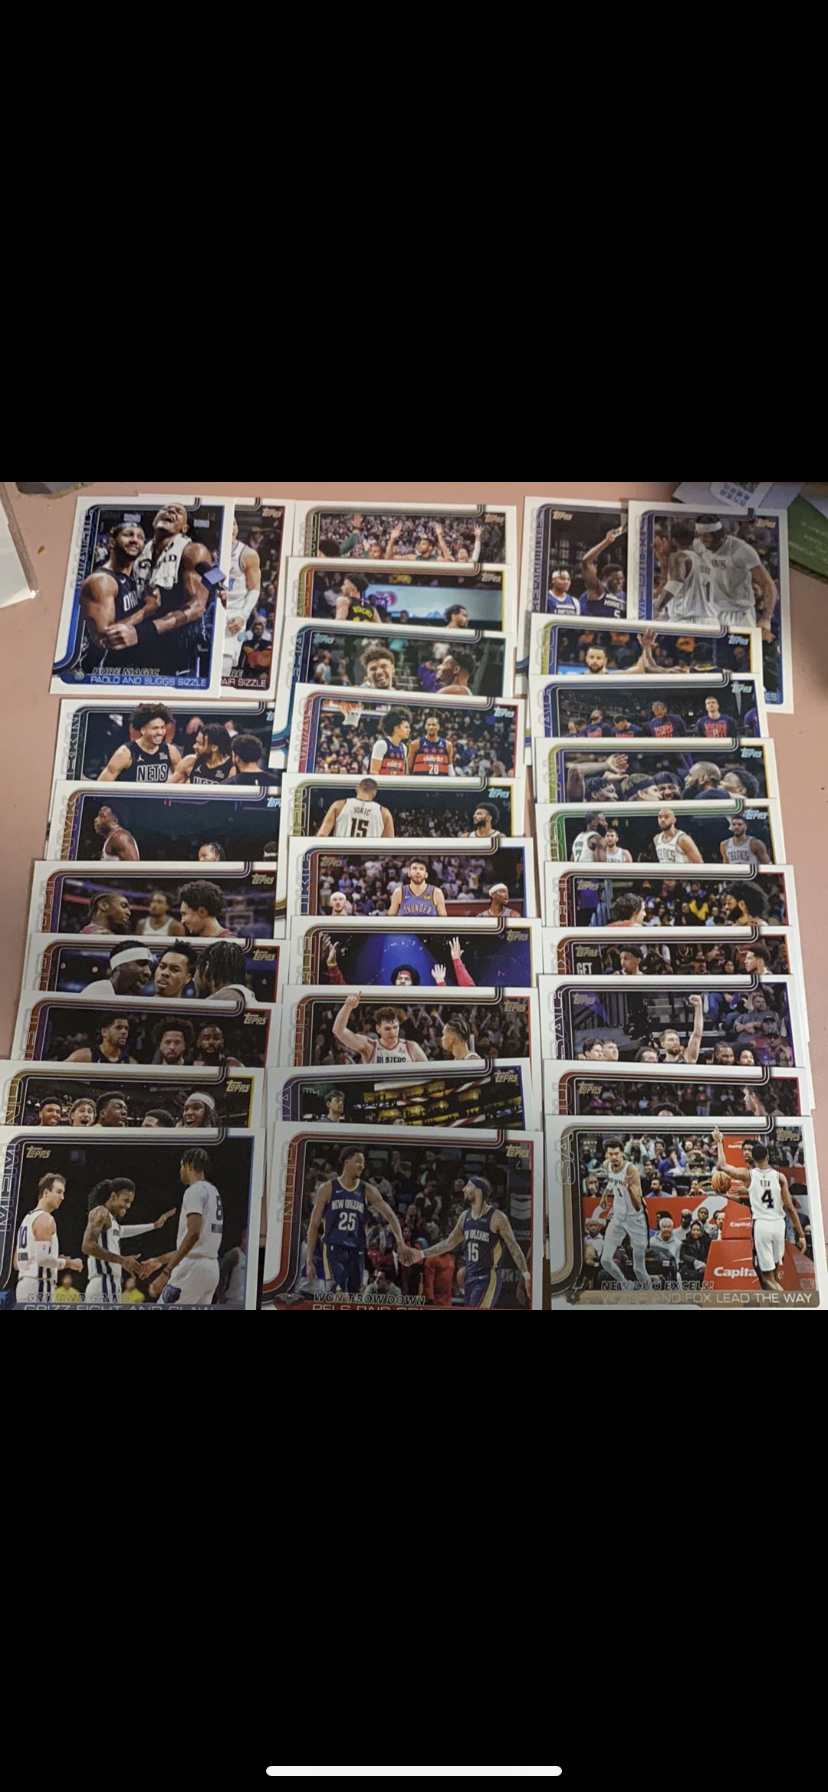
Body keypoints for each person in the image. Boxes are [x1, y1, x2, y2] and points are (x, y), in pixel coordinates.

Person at [88, 505, 216, 676]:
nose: (170, 511)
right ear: (154, 521)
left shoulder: (193, 551)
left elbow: (197, 607)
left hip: (174, 645)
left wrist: (143, 632)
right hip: (135, 640)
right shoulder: (137, 552)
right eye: (166, 509)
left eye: (178, 511)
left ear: (184, 528)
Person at [306, 1147, 412, 1295]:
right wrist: (309, 1260)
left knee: (354, 1296)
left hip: (357, 1250)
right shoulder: (328, 1188)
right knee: (339, 1294)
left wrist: (400, 1242)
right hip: (334, 1249)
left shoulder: (367, 1190)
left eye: (363, 1162)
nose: (362, 1166)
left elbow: (390, 1215)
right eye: (358, 1161)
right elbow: (313, 1226)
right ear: (346, 1162)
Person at [413, 1176, 531, 1309]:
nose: (464, 1189)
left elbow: (514, 1248)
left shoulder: (497, 1218)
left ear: (478, 1191)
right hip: (469, 1277)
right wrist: (421, 1254)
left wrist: (526, 1276)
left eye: (468, 1186)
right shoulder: (465, 1216)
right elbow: (448, 1243)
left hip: (487, 1277)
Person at [713, 1129, 807, 1293]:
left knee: (767, 1278)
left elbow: (721, 1166)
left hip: (762, 1226)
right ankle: (776, 1304)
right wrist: (801, 1235)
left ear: (753, 1159)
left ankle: (787, 1303)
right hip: (779, 1225)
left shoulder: (748, 1175)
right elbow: (790, 1208)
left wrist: (719, 1141)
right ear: (767, 1157)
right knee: (774, 1274)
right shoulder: (780, 1177)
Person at [143, 1148, 226, 1306]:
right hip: (211, 1269)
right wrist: (160, 1260)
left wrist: (166, 1272)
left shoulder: (194, 1191)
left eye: (182, 1165)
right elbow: (196, 1245)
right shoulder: (213, 1192)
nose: (180, 1170)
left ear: (190, 1165)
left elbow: (193, 1235)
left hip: (192, 1269)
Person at [83, 1178, 176, 1305]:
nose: (128, 1206)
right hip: (104, 1283)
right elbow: (87, 1246)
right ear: (113, 1196)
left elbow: (123, 1230)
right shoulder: (101, 1211)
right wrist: (122, 1260)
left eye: (130, 1202)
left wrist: (154, 1225)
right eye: (125, 1200)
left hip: (109, 1284)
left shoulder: (112, 1222)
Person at [695, 518, 778, 635]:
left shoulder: (741, 550)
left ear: (718, 535)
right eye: (700, 535)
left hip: (739, 615)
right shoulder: (699, 546)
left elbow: (768, 584)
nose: (702, 540)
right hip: (712, 613)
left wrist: (766, 618)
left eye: (706, 536)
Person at [14, 1173, 82, 1306]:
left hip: (23, 1286)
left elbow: (17, 1263)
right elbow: (43, 1260)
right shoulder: (45, 1219)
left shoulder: (27, 1219)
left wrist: (54, 1259)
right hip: (39, 1286)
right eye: (59, 1192)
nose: (62, 1197)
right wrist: (70, 1263)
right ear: (45, 1193)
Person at [98, 704, 182, 784]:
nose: (160, 732)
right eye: (155, 728)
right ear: (143, 730)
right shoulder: (125, 754)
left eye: (162, 728)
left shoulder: (171, 751)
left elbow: (183, 781)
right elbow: (101, 786)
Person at [333, 996, 428, 1065]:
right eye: (387, 1028)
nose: (392, 1032)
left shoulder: (411, 1047)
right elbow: (338, 1031)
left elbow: (428, 1075)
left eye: (395, 1027)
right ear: (378, 1029)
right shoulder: (370, 1047)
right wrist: (347, 1007)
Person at [224, 519, 262, 681]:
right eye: (228, 523)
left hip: (233, 614)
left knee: (223, 668)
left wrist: (243, 616)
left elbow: (255, 589)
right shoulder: (207, 551)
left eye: (234, 523)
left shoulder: (247, 554)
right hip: (209, 613)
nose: (232, 528)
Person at [653, 522, 711, 623]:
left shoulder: (679, 557)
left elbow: (674, 585)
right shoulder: (702, 559)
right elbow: (669, 582)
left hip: (686, 621)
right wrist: (663, 562)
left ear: (673, 540)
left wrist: (657, 608)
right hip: (707, 620)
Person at [318, 778, 395, 840]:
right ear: (374, 794)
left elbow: (322, 835)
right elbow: (390, 846)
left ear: (357, 788)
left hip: (342, 852)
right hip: (368, 854)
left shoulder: (338, 805)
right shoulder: (384, 813)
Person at [581, 526, 628, 618]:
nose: (620, 581)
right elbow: (587, 562)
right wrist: (607, 541)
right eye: (616, 579)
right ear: (605, 579)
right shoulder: (598, 590)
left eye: (622, 578)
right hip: (593, 626)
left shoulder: (624, 596)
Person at [82, 942, 155, 1000]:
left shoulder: (130, 999)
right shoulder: (97, 992)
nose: (148, 972)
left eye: (150, 967)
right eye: (141, 963)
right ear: (119, 966)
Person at [193, 940, 253, 1006]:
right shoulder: (247, 996)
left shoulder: (221, 1000)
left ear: (207, 968)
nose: (193, 979)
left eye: (196, 970)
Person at [68, 1018, 137, 1065]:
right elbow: (62, 1071)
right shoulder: (85, 1056)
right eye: (118, 1028)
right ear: (104, 1032)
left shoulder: (131, 1063)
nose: (124, 1032)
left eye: (126, 1028)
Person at [658, 996, 705, 1064]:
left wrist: (698, 1006)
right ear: (662, 1044)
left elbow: (697, 1035)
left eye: (677, 1040)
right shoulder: (659, 1065)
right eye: (671, 1040)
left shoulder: (688, 1059)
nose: (675, 1042)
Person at [370, 709, 412, 777]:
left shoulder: (403, 748)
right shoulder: (382, 744)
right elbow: (374, 772)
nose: (409, 730)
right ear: (396, 728)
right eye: (406, 727)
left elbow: (403, 773)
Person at [217, 1229, 248, 1307]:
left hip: (246, 1302)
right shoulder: (234, 1254)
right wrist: (221, 1296)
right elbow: (219, 1276)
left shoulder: (254, 1258)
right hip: (231, 1301)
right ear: (244, 1239)